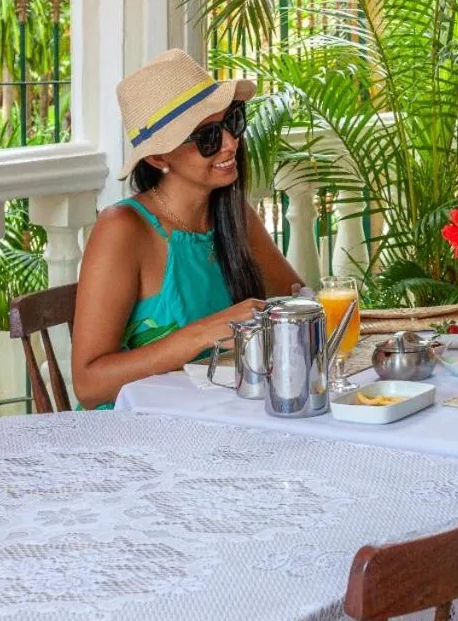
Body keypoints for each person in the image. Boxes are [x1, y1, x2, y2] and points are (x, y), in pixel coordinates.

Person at [72, 48, 303, 409]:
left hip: (223, 418)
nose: (230, 143)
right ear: (158, 157)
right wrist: (205, 333)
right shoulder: (123, 228)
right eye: (207, 137)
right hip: (136, 436)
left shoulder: (233, 215)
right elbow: (88, 385)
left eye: (233, 122)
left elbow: (297, 300)